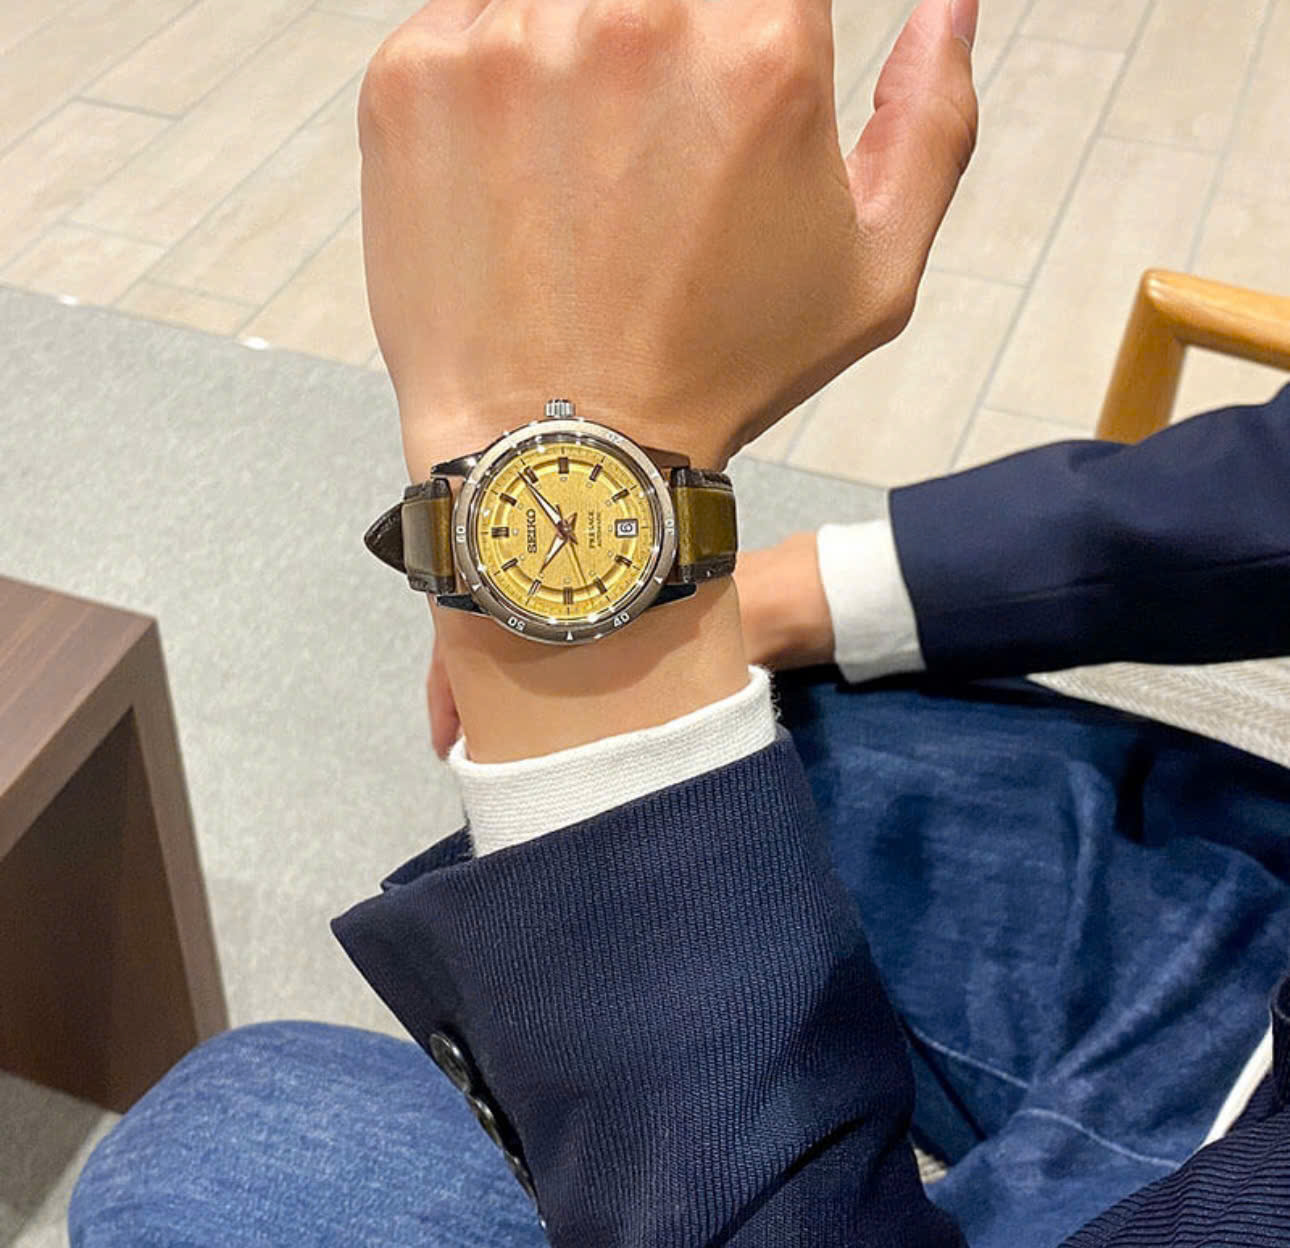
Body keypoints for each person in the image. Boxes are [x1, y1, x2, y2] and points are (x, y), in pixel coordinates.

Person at [68, 0, 1290, 1243]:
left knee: (222, 1143)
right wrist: (802, 586)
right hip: (1251, 893)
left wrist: (565, 615)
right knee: (793, 734)